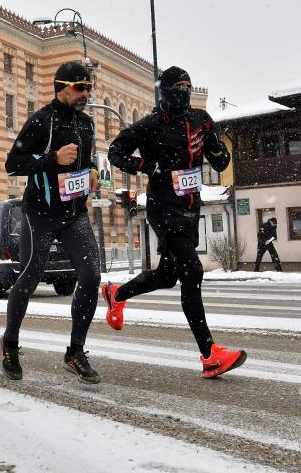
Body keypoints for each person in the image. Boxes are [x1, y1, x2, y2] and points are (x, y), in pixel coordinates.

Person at [104, 66, 247, 379]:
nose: (183, 91)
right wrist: (147, 166)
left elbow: (220, 161)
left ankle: (116, 294)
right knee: (192, 271)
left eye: (188, 86)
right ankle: (210, 355)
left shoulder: (200, 120)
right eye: (178, 86)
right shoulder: (149, 125)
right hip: (163, 207)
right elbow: (115, 152)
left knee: (167, 276)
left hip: (190, 205)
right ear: (165, 90)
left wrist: (216, 143)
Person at [0, 61, 102, 384]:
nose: (86, 93)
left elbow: (88, 158)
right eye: (79, 88)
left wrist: (94, 171)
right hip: (40, 214)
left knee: (91, 275)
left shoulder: (86, 123)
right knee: (29, 278)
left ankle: (75, 351)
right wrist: (52, 158)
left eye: (89, 87)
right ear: (62, 88)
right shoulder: (42, 121)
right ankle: (10, 344)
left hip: (74, 212)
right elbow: (12, 165)